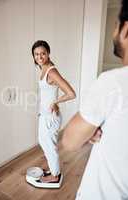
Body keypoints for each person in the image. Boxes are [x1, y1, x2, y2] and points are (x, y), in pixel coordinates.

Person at [62, 0, 128, 199]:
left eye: (116, 24)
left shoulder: (113, 83)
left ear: (125, 29)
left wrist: (86, 127)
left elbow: (69, 141)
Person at [32, 40, 76, 183]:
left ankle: (55, 175)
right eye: (36, 54)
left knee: (49, 146)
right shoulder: (43, 68)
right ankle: (53, 168)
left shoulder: (51, 71)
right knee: (44, 142)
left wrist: (55, 103)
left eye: (43, 53)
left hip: (50, 117)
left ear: (48, 53)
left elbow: (71, 93)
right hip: (45, 115)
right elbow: (48, 92)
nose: (39, 57)